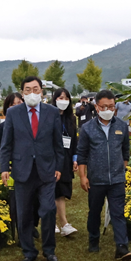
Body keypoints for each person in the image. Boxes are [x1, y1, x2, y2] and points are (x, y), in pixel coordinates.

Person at [0, 76, 64, 261]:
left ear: (42, 91)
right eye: (28, 90)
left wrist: (59, 166)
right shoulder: (13, 113)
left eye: (36, 89)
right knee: (24, 213)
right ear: (22, 92)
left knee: (48, 210)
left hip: (46, 171)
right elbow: (6, 144)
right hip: (22, 170)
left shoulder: (52, 113)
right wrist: (4, 167)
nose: (32, 93)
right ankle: (29, 251)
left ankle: (49, 250)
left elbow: (58, 144)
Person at [77, 89, 131, 261]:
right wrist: (82, 176)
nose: (108, 110)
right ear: (97, 107)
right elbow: (82, 154)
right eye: (105, 106)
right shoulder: (87, 128)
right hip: (96, 179)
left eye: (111, 106)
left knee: (118, 212)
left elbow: (126, 152)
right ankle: (93, 239)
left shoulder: (121, 126)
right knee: (95, 211)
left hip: (117, 179)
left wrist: (121, 169)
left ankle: (122, 247)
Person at [0, 92, 24, 241]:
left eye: (20, 103)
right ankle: (19, 233)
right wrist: (6, 165)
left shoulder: (30, 123)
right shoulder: (4, 126)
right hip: (14, 169)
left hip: (31, 168)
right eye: (13, 105)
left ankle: (30, 227)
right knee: (16, 203)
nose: (17, 107)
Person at [51, 88, 79, 237]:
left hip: (67, 158)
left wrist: (75, 158)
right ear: (54, 99)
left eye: (66, 98)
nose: (63, 101)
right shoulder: (49, 117)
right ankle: (56, 222)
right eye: (60, 97)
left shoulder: (71, 118)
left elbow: (74, 140)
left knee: (62, 192)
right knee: (53, 191)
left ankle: (63, 224)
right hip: (52, 159)